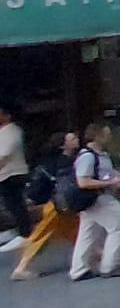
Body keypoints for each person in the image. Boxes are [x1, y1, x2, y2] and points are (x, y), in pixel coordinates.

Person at [11, 132, 81, 281]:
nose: (77, 139)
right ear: (63, 145)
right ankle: (21, 267)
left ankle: (97, 254)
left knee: (76, 231)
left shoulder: (51, 162)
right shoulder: (65, 162)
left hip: (57, 204)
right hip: (58, 206)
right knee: (43, 235)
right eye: (72, 138)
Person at [70, 124, 120, 281]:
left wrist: (117, 177)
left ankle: (79, 269)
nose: (109, 137)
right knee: (119, 227)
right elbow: (83, 181)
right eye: (106, 134)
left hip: (92, 199)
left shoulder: (96, 155)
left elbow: (104, 172)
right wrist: (110, 182)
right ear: (98, 136)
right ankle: (109, 266)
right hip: (98, 197)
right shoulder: (88, 156)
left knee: (88, 233)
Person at [0, 100, 30, 252]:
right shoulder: (3, 132)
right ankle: (16, 231)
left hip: (12, 174)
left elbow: (3, 157)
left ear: (7, 115)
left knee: (15, 204)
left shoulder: (12, 131)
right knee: (10, 204)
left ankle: (25, 234)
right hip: (5, 175)